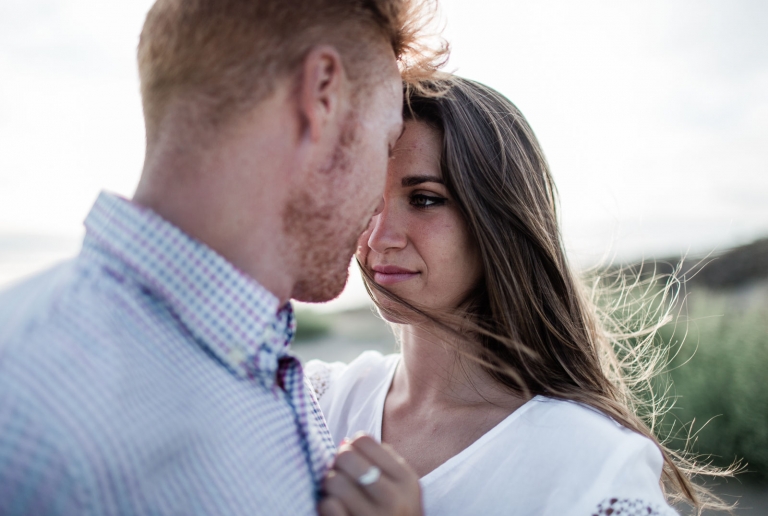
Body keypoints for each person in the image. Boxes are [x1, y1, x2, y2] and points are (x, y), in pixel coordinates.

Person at [0, 0, 446, 514]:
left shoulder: (261, 366)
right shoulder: (29, 415)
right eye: (386, 144)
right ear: (322, 94)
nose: (378, 213)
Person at [308, 77, 732, 515]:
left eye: (425, 199)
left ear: (497, 217)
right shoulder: (318, 401)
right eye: (369, 200)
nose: (380, 236)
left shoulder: (594, 466)